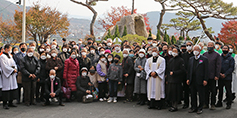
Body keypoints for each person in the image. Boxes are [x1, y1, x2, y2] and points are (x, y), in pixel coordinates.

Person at [187, 45, 209, 114]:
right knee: (193, 94)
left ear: (200, 50)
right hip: (192, 79)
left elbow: (206, 70)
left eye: (197, 50)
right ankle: (194, 107)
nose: (195, 51)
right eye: (194, 50)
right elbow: (189, 70)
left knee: (201, 94)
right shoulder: (191, 59)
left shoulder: (204, 59)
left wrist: (205, 79)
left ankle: (200, 107)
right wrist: (188, 78)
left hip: (200, 79)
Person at [203, 41, 221, 110]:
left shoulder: (217, 55)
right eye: (208, 45)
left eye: (211, 45)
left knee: (213, 91)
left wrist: (217, 75)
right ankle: (206, 103)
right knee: (206, 91)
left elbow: (218, 66)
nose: (209, 46)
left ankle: (213, 104)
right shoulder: (204, 54)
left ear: (213, 47)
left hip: (213, 76)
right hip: (205, 76)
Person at [166, 47, 185, 112]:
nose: (173, 52)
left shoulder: (181, 60)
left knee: (175, 93)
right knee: (170, 93)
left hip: (177, 79)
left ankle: (175, 106)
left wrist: (174, 73)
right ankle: (172, 105)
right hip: (170, 79)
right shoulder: (171, 60)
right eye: (173, 51)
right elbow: (168, 69)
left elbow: (182, 70)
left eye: (175, 51)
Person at [0, 44, 18, 109]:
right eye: (9, 49)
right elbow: (4, 66)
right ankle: (5, 103)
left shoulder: (10, 56)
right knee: (6, 89)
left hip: (12, 75)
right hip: (6, 75)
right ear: (6, 49)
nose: (10, 50)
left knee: (12, 88)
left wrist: (15, 68)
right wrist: (12, 70)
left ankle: (11, 102)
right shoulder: (2, 56)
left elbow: (14, 63)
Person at [181, 41, 194, 109]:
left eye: (190, 45)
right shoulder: (183, 55)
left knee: (192, 91)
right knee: (185, 90)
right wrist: (185, 71)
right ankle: (186, 103)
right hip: (185, 75)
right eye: (187, 45)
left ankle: (193, 104)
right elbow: (182, 64)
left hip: (193, 75)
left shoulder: (194, 54)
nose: (188, 46)